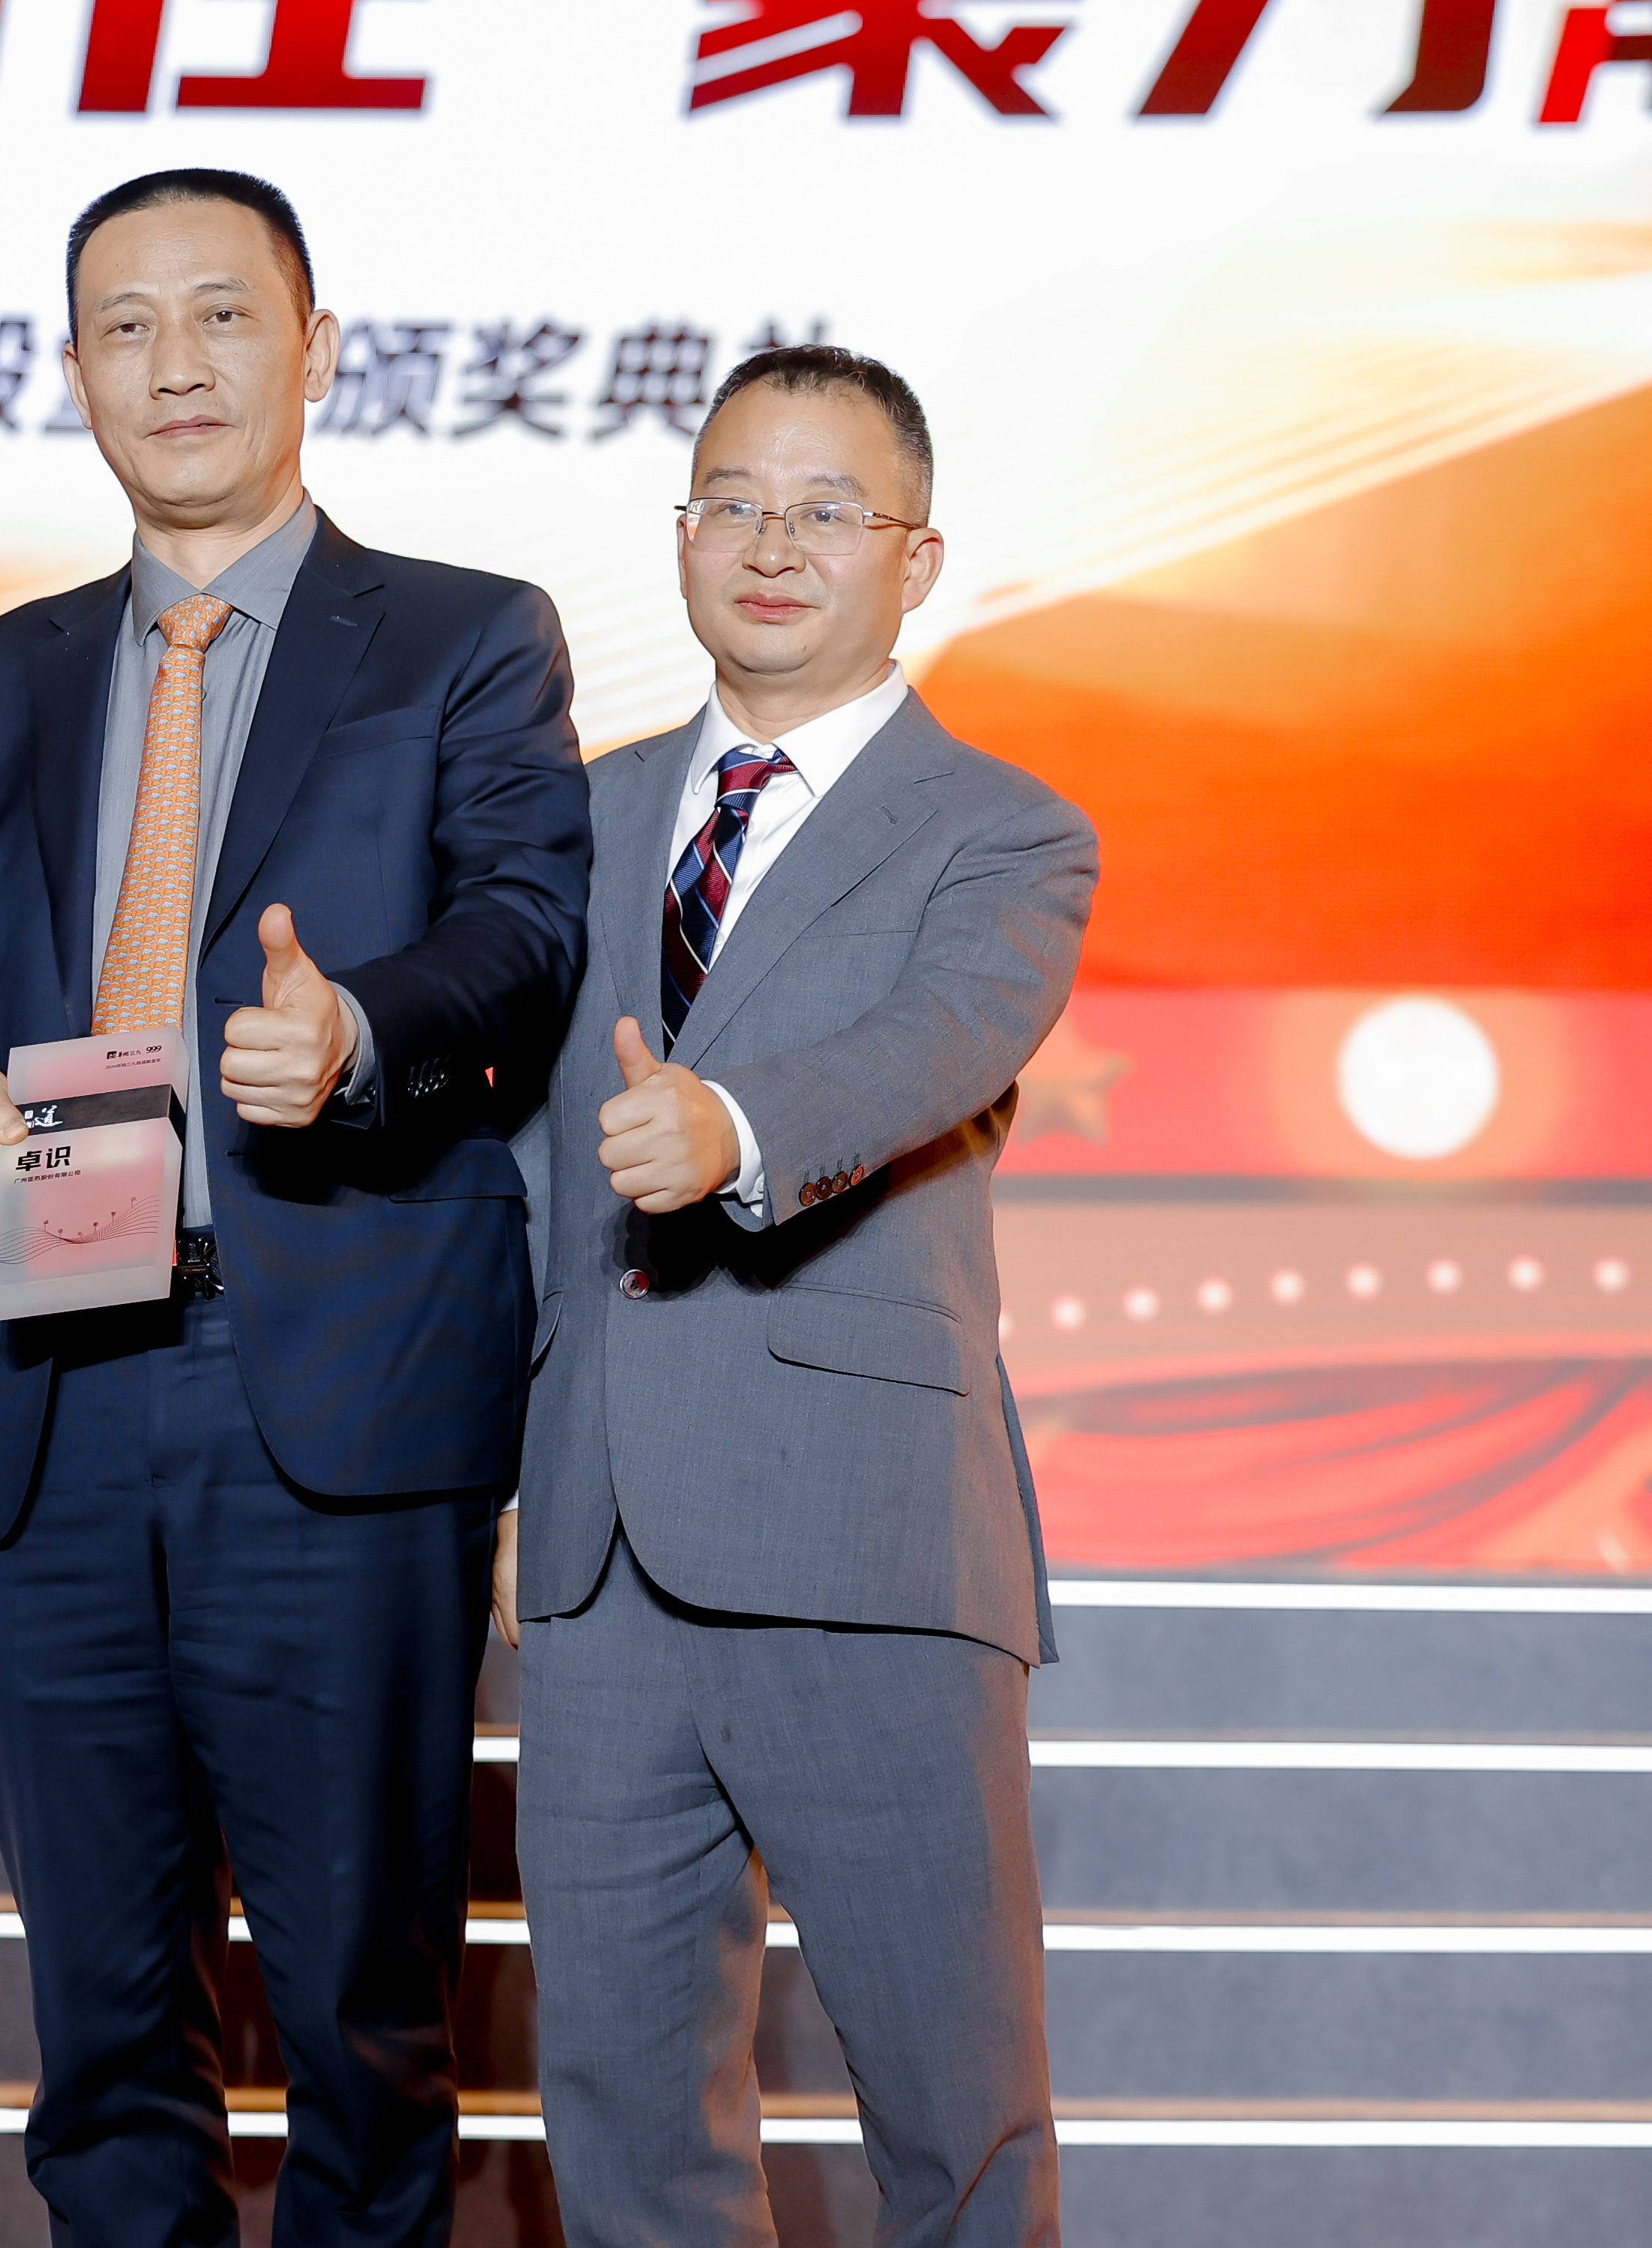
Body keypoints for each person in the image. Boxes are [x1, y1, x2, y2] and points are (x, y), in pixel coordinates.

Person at [0, 168, 591, 2244]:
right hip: (53, 1383)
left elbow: (527, 925)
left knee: (365, 2017)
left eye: (223, 315)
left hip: (334, 1392)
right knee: (101, 2032)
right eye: (125, 324)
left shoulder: (462, 636)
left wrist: (360, 1030)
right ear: (70, 369)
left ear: (317, 350)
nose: (173, 363)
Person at [505, 345, 1095, 2248]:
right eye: (735, 505)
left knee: (955, 2117)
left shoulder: (1004, 832)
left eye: (827, 511)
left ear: (917, 560)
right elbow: (509, 1162)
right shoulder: (566, 821)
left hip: (871, 1540)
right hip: (598, 1550)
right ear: (682, 536)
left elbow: (938, 1043)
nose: (773, 545)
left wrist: (735, 1128)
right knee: (626, 2127)